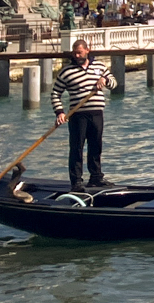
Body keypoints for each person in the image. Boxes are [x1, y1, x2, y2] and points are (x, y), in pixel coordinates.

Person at [51, 38, 120, 189]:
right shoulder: (67, 71)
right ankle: (76, 181)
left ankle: (96, 177)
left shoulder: (99, 67)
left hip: (97, 113)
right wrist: (60, 112)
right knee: (77, 148)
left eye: (80, 53)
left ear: (87, 51)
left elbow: (114, 84)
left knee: (96, 146)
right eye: (75, 53)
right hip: (77, 115)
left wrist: (105, 80)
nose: (77, 56)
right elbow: (55, 93)